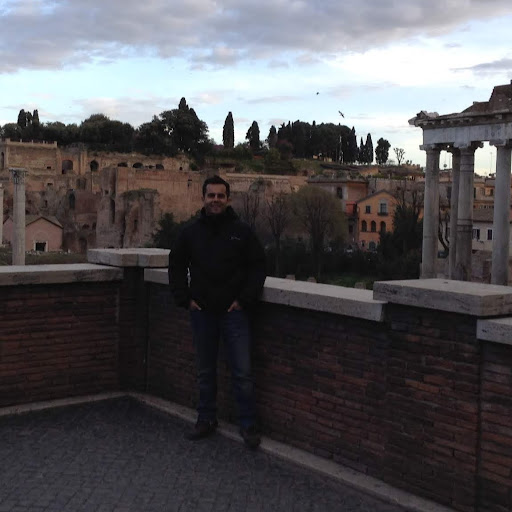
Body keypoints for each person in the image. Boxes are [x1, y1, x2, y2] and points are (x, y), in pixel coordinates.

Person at [169, 175, 266, 449]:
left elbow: (259, 266)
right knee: (204, 370)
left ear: (228, 199)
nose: (215, 200)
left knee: (242, 372)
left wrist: (243, 300)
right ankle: (206, 419)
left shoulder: (242, 231)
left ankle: (248, 424)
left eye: (220, 196)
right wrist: (184, 299)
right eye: (211, 195)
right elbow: (176, 264)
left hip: (234, 312)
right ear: (203, 198)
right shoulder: (190, 232)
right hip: (202, 312)